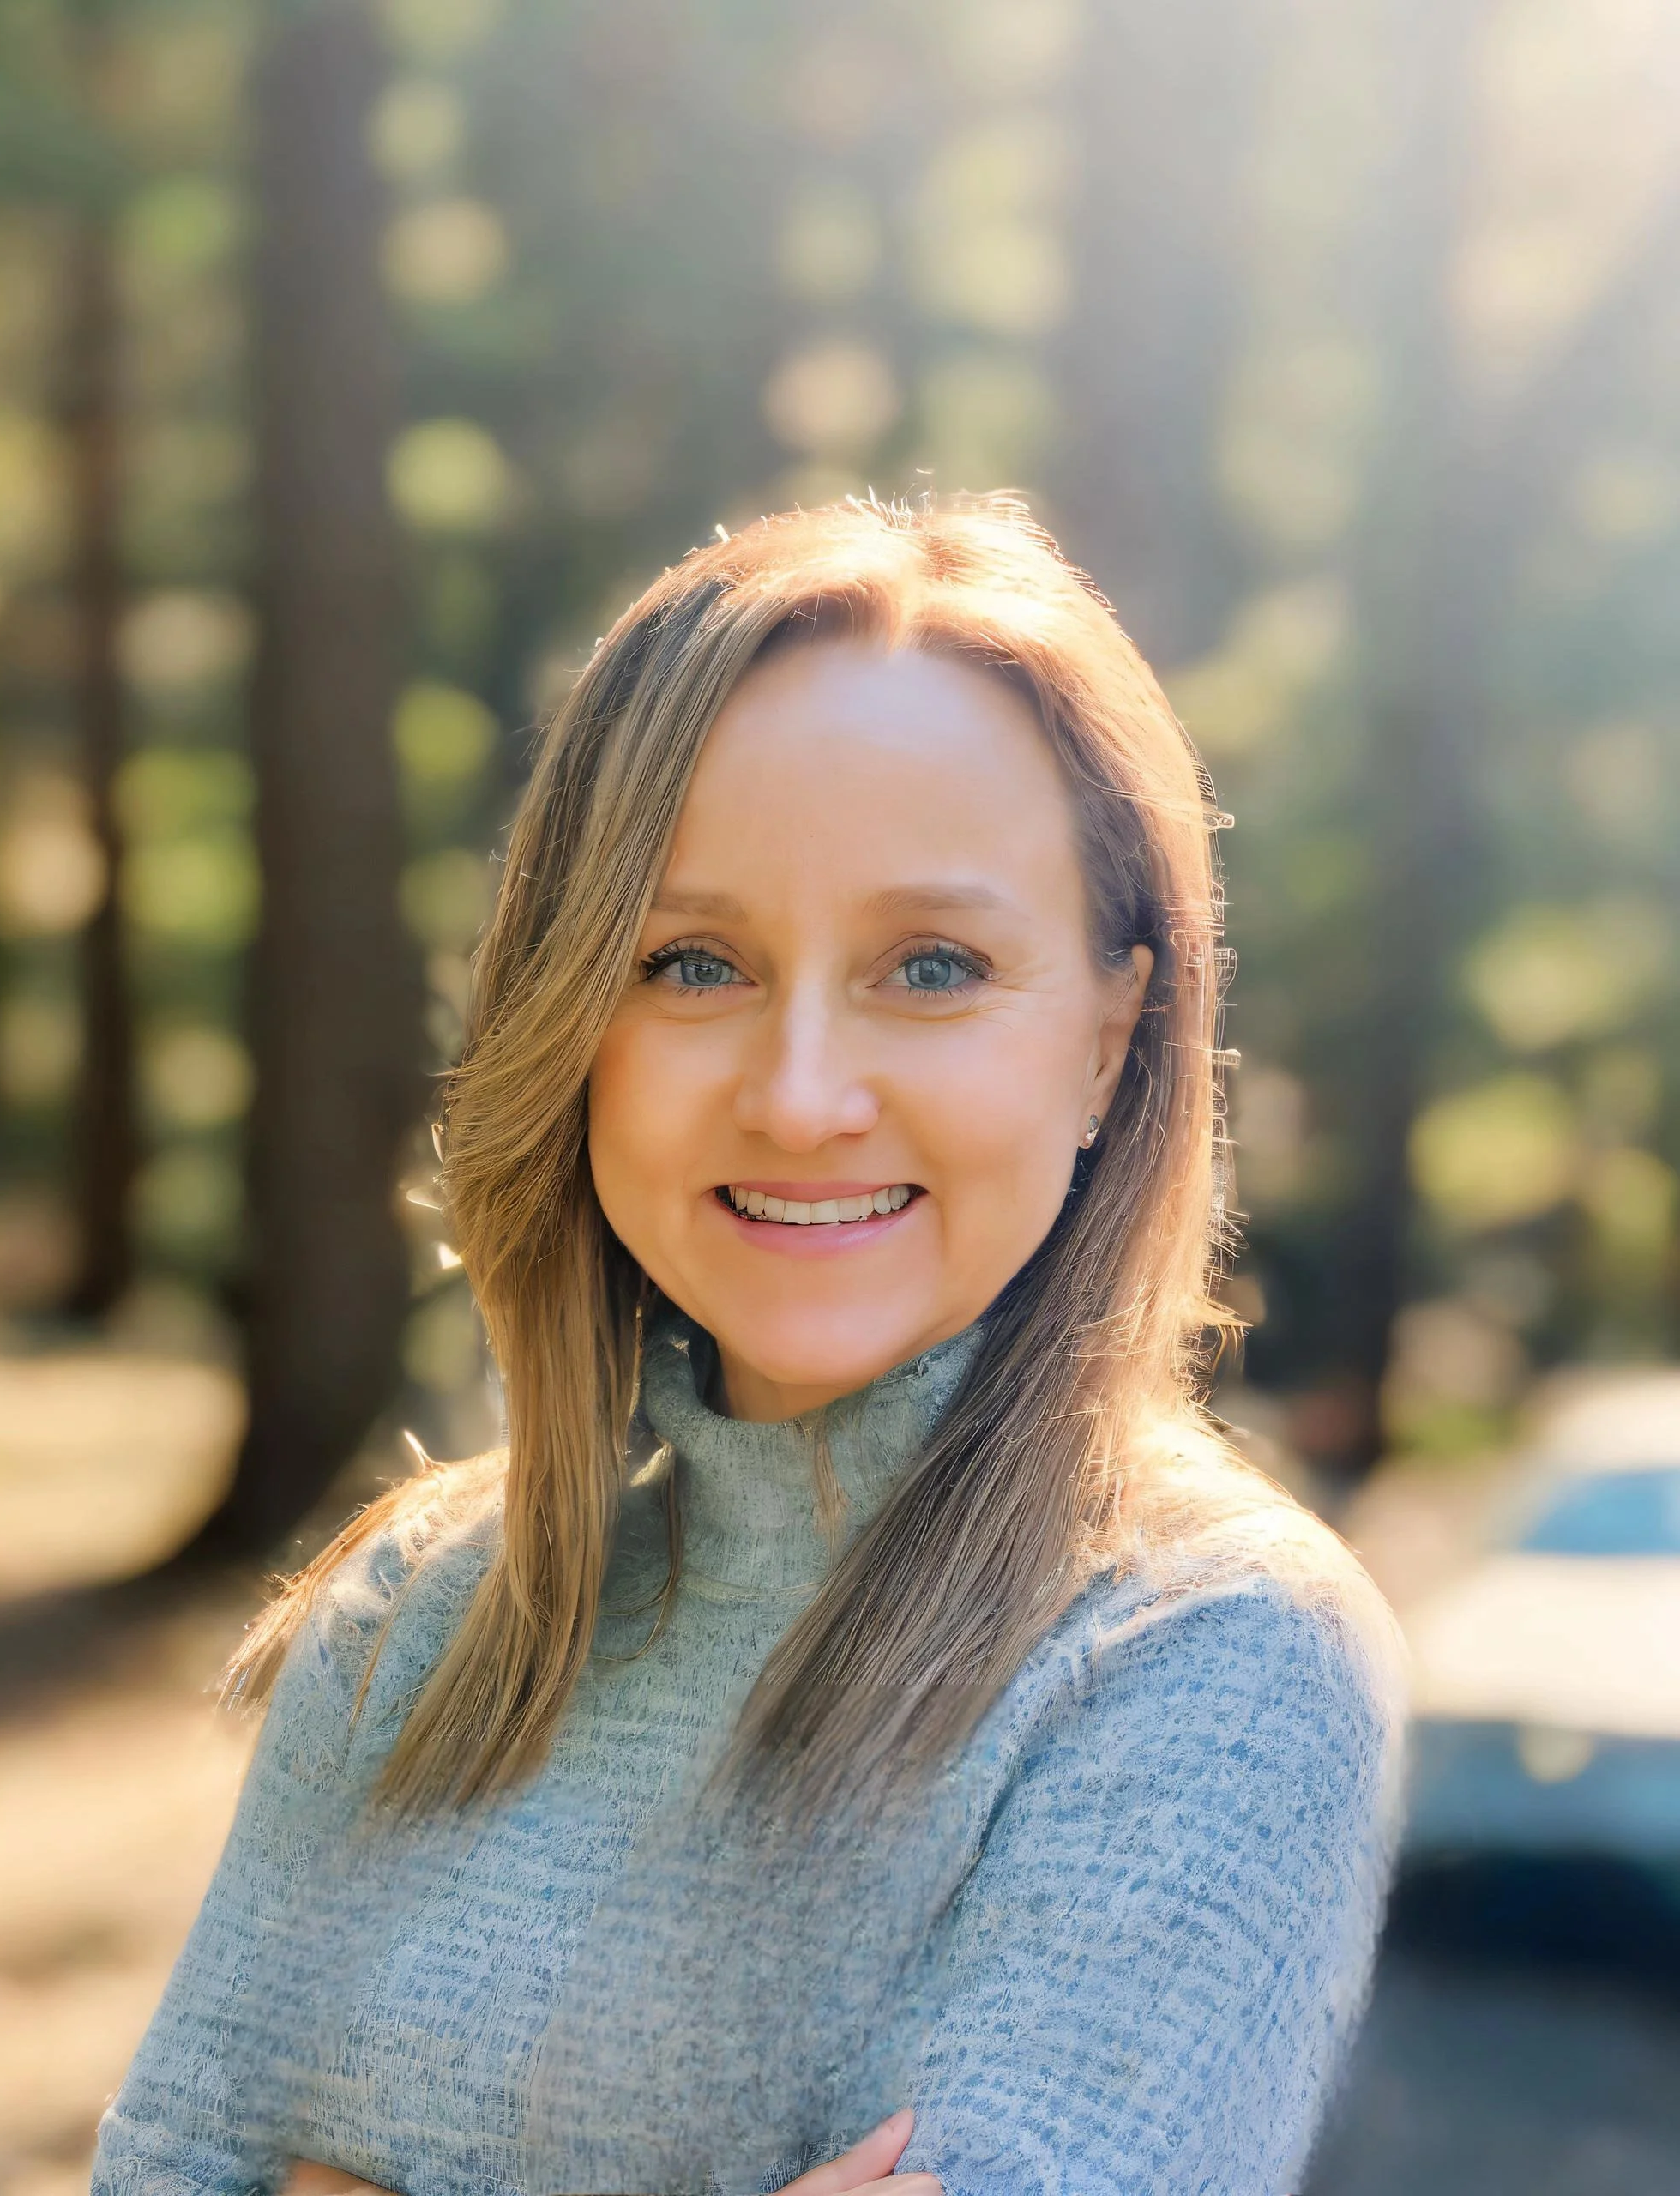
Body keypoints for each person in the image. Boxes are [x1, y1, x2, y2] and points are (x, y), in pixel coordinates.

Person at [93, 497, 1405, 2196]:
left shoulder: (1210, 1655)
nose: (797, 1097)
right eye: (692, 961)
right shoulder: (415, 1612)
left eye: (931, 966)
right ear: (571, 1011)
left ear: (1108, 1035)